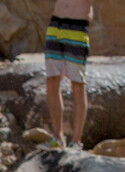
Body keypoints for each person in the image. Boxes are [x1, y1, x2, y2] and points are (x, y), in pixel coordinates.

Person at [44, 0, 94, 149]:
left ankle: (76, 142)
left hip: (77, 26)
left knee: (77, 83)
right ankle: (57, 137)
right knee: (52, 80)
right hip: (56, 25)